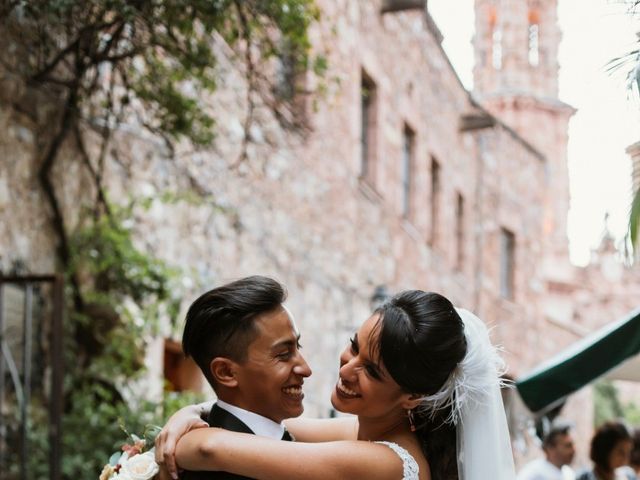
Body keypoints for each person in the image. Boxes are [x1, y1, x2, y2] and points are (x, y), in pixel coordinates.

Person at [156, 289, 516, 480]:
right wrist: (191, 412)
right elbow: (267, 428)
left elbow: (210, 450)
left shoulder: (388, 462)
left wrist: (151, 459)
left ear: (412, 396)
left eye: (372, 372)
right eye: (354, 346)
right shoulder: (373, 430)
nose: (347, 369)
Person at [165, 275, 312, 480]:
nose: (306, 369)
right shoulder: (211, 469)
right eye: (283, 355)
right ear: (226, 372)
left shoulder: (282, 437)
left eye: (298, 346)